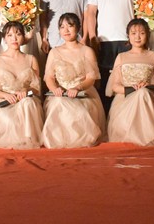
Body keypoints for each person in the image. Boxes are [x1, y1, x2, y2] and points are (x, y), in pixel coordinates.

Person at [84, 0, 140, 105]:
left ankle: (127, 111)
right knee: (106, 80)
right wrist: (93, 36)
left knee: (128, 77)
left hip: (128, 40)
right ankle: (107, 113)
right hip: (105, 39)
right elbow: (91, 12)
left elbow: (139, 12)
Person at [42, 13, 107, 148]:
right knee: (59, 102)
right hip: (60, 92)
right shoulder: (54, 52)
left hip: (83, 91)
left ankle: (81, 139)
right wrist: (55, 89)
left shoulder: (87, 51)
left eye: (70, 26)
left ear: (78, 28)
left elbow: (91, 78)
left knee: (78, 107)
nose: (66, 30)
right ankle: (59, 139)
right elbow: (49, 77)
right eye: (62, 27)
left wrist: (77, 88)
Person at [107, 19, 154, 146]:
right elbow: (115, 86)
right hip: (124, 100)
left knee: (142, 93)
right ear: (128, 36)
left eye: (142, 33)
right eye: (133, 33)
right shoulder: (121, 57)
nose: (137, 37)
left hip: (148, 99)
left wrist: (147, 86)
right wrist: (132, 89)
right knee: (140, 93)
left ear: (147, 35)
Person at [0, 21, 44, 149]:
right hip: (3, 100)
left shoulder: (31, 59)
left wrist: (26, 91)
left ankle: (29, 139)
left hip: (25, 100)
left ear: (23, 37)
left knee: (28, 103)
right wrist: (6, 95)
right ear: (4, 38)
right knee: (8, 118)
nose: (14, 38)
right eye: (9, 35)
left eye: (18, 34)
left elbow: (36, 89)